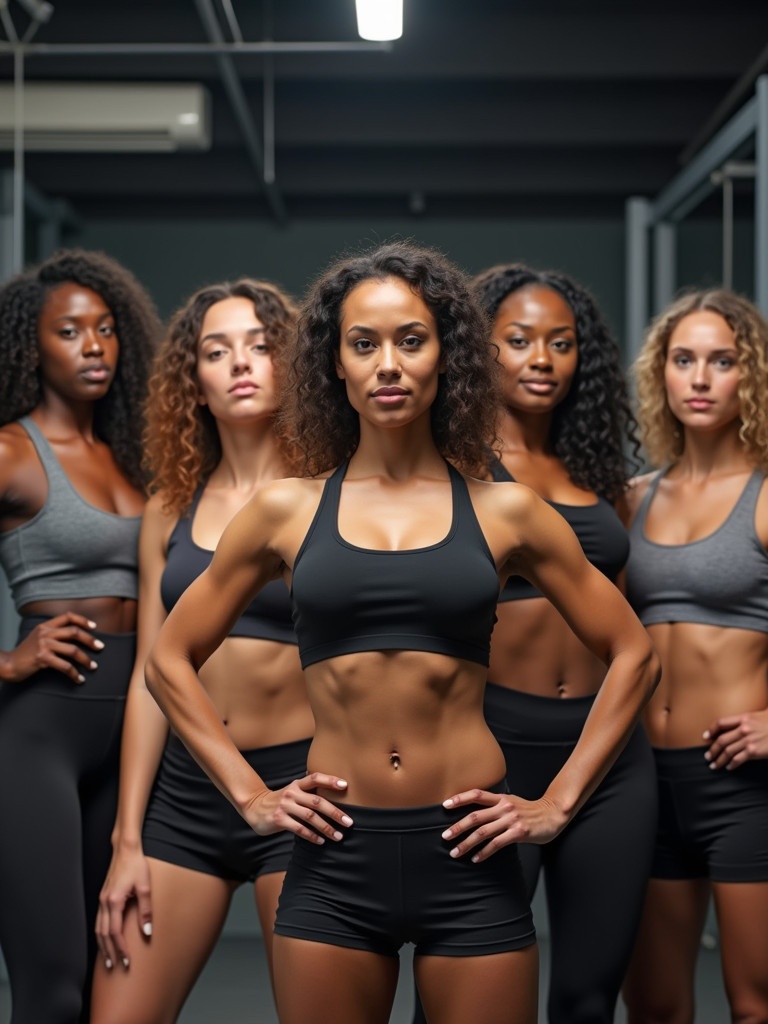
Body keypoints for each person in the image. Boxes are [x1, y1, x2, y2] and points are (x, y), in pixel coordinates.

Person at [143, 240, 659, 1024]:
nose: (388, 363)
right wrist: (249, 796)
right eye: (364, 344)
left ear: (446, 358)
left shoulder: (505, 510)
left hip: (468, 851)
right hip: (335, 853)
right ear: (335, 367)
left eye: (411, 341)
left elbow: (633, 652)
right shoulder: (286, 510)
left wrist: (556, 803)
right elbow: (168, 659)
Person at [90, 278, 313, 1024]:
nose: (241, 363)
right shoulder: (169, 509)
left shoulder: (332, 495)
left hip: (300, 791)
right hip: (185, 798)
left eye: (260, 346)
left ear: (293, 366)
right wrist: (128, 841)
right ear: (196, 383)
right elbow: (151, 680)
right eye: (217, 352)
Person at [454, 262, 656, 1024]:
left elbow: (626, 617)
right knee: (463, 995)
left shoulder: (598, 473)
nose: (542, 358)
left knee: (586, 996)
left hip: (609, 751)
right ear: (481, 349)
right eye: (519, 340)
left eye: (561, 343)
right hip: (497, 744)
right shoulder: (453, 469)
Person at [0, 249, 161, 1024]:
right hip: (41, 738)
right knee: (54, 986)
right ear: (33, 346)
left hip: (133, 731)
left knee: (117, 975)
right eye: (70, 331)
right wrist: (7, 660)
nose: (94, 345)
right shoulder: (11, 453)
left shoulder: (138, 455)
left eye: (105, 329)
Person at [621, 289, 768, 1024]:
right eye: (684, 360)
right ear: (663, 375)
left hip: (742, 785)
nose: (701, 378)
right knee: (653, 1006)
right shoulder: (634, 498)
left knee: (754, 1003)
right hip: (646, 778)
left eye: (722, 361)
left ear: (752, 377)